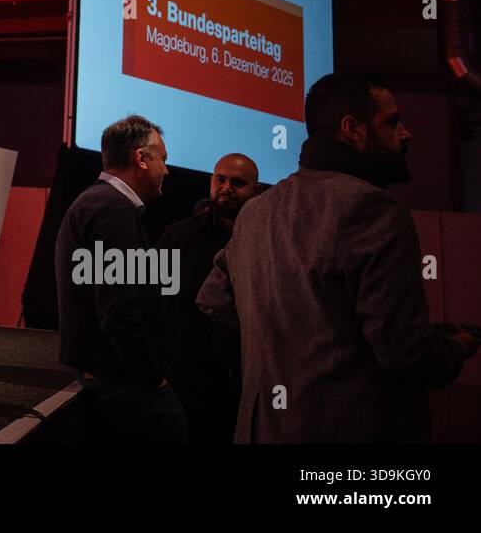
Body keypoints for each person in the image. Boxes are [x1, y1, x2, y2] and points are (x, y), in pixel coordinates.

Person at [197, 73, 478, 442]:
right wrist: (456, 346)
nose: (406, 134)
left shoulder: (255, 212)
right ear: (353, 130)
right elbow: (402, 352)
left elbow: (212, 298)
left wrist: (288, 336)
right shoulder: (373, 207)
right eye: (392, 122)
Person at [55, 114, 185, 442]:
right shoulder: (113, 209)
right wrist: (152, 378)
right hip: (124, 384)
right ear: (141, 159)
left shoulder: (97, 203)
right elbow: (118, 308)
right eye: (163, 159)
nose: (166, 170)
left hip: (111, 379)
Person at [159, 153, 259, 443]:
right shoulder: (178, 236)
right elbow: (151, 303)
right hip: (184, 379)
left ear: (257, 191)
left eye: (238, 183)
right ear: (210, 181)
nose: (227, 187)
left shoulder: (267, 243)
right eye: (220, 179)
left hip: (243, 380)